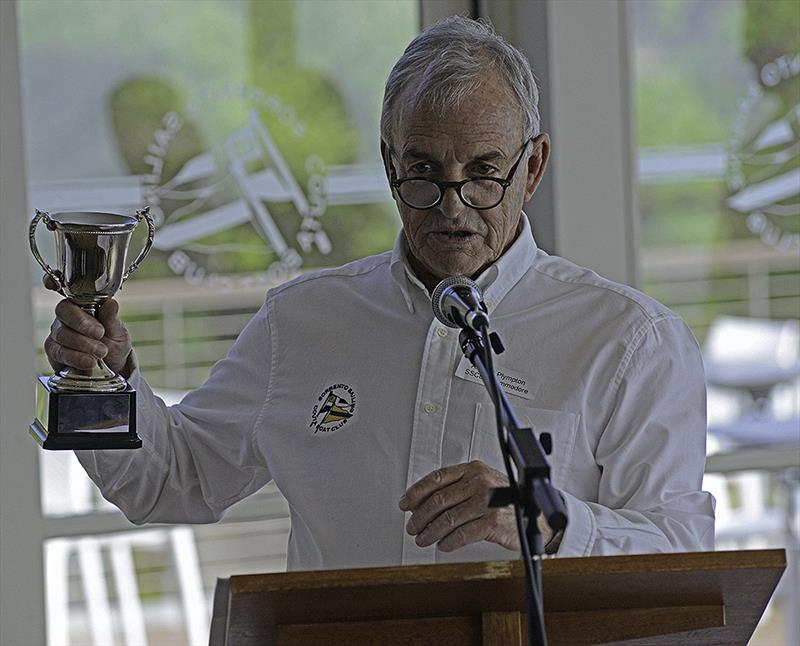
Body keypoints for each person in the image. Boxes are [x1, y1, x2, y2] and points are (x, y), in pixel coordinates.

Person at [44, 17, 714, 570]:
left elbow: (683, 551)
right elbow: (172, 480)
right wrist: (102, 379)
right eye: (424, 172)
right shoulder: (303, 322)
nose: (453, 207)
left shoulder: (629, 341)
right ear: (389, 163)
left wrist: (551, 522)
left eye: (482, 174)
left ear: (531, 167)